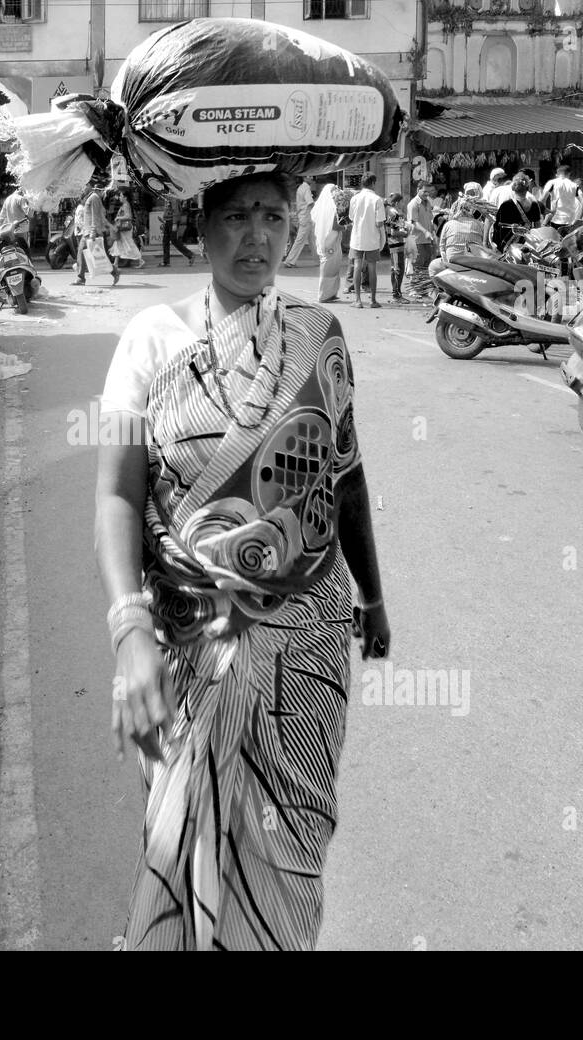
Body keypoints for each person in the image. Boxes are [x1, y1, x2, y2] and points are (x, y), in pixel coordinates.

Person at [95, 171, 390, 952]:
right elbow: (117, 498)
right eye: (236, 217)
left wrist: (374, 596)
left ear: (295, 228)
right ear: (201, 230)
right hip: (186, 644)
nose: (257, 236)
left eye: (273, 216)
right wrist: (129, 632)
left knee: (288, 850)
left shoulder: (320, 333)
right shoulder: (151, 340)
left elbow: (346, 474)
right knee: (182, 842)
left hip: (307, 642)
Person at [347, 172, 386, 308]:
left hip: (357, 237)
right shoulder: (377, 199)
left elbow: (351, 217)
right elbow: (380, 222)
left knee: (357, 266)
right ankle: (373, 300)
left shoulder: (354, 198)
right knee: (372, 268)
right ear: (373, 183)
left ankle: (357, 300)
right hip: (372, 238)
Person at [73, 178, 118, 287]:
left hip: (91, 232)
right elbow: (100, 216)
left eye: (85, 186)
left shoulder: (94, 198)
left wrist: (93, 231)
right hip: (88, 232)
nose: (83, 188)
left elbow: (95, 216)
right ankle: (80, 278)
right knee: (87, 254)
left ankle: (114, 272)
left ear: (91, 187)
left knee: (99, 256)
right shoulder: (94, 198)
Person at [311, 181, 351, 303]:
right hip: (330, 240)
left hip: (327, 239)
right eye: (335, 190)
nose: (337, 192)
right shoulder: (331, 208)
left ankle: (331, 293)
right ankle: (324, 295)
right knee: (329, 267)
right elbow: (334, 225)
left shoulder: (321, 207)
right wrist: (346, 226)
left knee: (333, 266)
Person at [493, 172, 543, 250]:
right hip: (528, 245)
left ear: (513, 188)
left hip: (509, 247)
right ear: (527, 188)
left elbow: (497, 228)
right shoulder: (534, 205)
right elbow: (538, 228)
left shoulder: (506, 205)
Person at [404, 182, 437, 297]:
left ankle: (422, 289)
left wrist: (433, 231)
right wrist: (425, 231)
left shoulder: (428, 203)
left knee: (426, 265)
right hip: (416, 239)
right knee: (416, 265)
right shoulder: (413, 204)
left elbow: (430, 220)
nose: (426, 194)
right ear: (418, 190)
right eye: (424, 191)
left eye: (428, 192)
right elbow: (414, 222)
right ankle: (414, 289)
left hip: (427, 239)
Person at [541, 165, 583, 235]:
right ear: (569, 174)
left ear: (557, 174)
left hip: (555, 220)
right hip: (570, 222)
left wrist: (545, 217)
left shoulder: (552, 183)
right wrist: (578, 220)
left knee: (555, 244)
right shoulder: (574, 185)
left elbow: (542, 200)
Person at [283, 177, 317, 267]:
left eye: (312, 177)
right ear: (305, 178)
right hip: (306, 217)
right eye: (310, 177)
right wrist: (319, 206)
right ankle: (290, 261)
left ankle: (319, 260)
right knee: (300, 240)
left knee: (313, 240)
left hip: (305, 217)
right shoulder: (306, 188)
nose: (312, 179)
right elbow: (310, 202)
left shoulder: (301, 187)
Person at [112, 189, 145, 268]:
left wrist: (118, 217)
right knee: (118, 243)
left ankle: (140, 260)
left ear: (125, 197)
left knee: (129, 244)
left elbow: (128, 216)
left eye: (121, 196)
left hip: (125, 229)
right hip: (123, 229)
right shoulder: (124, 205)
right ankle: (115, 263)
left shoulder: (126, 205)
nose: (119, 197)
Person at [384, 192, 408, 300]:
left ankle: (397, 293)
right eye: (402, 202)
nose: (403, 204)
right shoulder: (395, 214)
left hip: (396, 244)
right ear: (397, 202)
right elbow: (394, 232)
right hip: (395, 245)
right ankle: (396, 294)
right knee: (397, 269)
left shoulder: (392, 213)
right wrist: (406, 233)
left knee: (397, 269)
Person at [0, 184, 31, 255]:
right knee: (24, 251)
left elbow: (1, 216)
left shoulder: (8, 199)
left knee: (13, 251)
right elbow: (29, 213)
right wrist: (33, 204)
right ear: (20, 190)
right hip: (21, 230)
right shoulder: (21, 199)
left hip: (11, 230)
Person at [161, 194, 195, 266]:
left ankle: (190, 254)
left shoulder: (173, 197)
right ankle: (166, 261)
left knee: (174, 240)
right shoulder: (167, 196)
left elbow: (176, 211)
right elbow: (167, 209)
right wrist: (164, 220)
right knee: (165, 241)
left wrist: (174, 223)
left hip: (172, 221)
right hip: (168, 220)